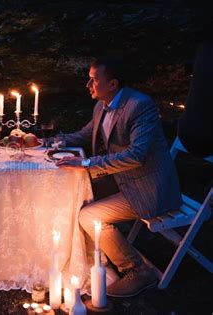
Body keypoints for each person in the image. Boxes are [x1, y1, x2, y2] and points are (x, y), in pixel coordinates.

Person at [55, 57, 182, 297]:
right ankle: (85, 257)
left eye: (94, 79)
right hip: (125, 180)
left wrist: (85, 163)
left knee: (88, 214)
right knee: (79, 193)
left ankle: (136, 270)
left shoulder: (139, 106)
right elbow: (84, 135)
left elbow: (136, 156)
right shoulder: (102, 105)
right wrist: (51, 141)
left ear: (112, 83)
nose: (88, 85)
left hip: (150, 189)